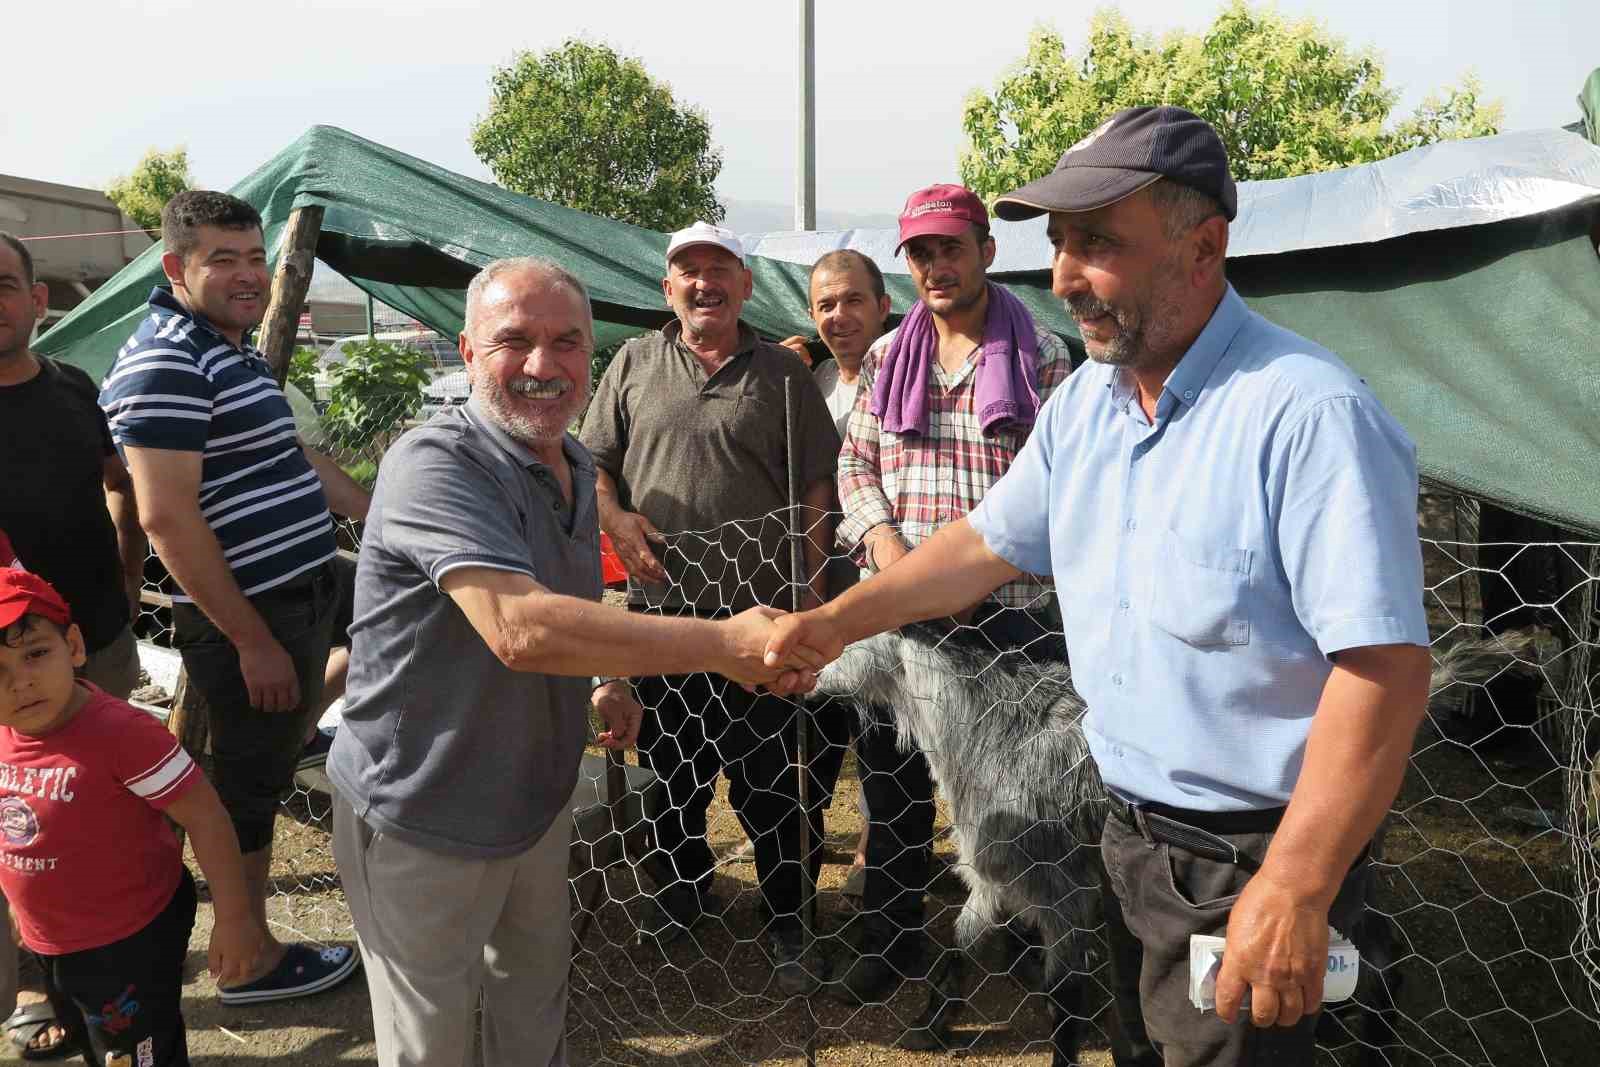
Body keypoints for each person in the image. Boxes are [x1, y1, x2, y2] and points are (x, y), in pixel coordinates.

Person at [766, 106, 1432, 1067]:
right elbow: (977, 548)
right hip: (1120, 833)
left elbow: (1384, 673)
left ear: (1205, 247)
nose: (1066, 275)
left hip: (1247, 856)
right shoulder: (1088, 405)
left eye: (1100, 244)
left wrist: (1294, 886)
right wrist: (832, 621)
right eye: (1060, 243)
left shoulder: (1306, 415)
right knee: (1140, 1048)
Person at [327, 257, 821, 1067]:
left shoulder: (575, 464)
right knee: (430, 1044)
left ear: (593, 353)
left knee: (533, 1005)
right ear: (464, 350)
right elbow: (518, 628)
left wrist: (607, 678)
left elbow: (572, 586)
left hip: (534, 797)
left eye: (565, 342)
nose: (542, 365)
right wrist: (725, 642)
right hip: (424, 809)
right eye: (512, 341)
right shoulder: (435, 463)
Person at [97, 191, 368, 1005]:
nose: (249, 275)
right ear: (177, 267)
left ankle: (295, 725)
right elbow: (166, 517)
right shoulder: (163, 360)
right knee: (248, 789)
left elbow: (296, 460)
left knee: (408, 622)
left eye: (256, 257)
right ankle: (248, 957)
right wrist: (250, 641)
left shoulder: (228, 347)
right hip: (255, 608)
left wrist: (382, 510)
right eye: (225, 259)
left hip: (307, 586)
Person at [828, 185, 1075, 1004]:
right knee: (893, 795)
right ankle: (891, 941)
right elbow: (854, 465)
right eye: (921, 253)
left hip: (1009, 624)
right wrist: (888, 551)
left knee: (1023, 798)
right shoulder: (887, 358)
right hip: (899, 626)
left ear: (986, 252)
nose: (936, 266)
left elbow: (1060, 487)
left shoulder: (1041, 355)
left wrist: (983, 568)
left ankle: (1034, 949)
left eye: (951, 249)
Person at [579, 222, 841, 992]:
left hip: (757, 625)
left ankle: (789, 919)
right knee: (673, 777)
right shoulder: (631, 363)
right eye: (688, 271)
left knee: (772, 785)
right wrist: (618, 520)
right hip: (660, 622)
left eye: (719, 268)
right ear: (667, 289)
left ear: (745, 285)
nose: (704, 283)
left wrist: (815, 599)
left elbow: (817, 490)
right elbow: (591, 466)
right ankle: (682, 894)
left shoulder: (784, 376)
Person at [0, 568, 262, 1067]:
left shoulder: (123, 736)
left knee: (138, 1051)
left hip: (127, 941)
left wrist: (233, 918)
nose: (22, 682)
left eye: (35, 653)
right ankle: (77, 1025)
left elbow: (206, 817)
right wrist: (18, 906)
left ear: (74, 647)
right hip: (48, 935)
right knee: (79, 1009)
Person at [1, 230, 148, 1058]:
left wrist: (129, 577)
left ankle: (112, 955)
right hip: (7, 660)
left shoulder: (72, 387)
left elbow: (119, 481)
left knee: (102, 802)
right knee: (18, 818)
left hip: (102, 637)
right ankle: (31, 977)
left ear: (37, 299)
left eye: (3, 284)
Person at [778, 249, 895, 903]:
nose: (839, 315)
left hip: (884, 586)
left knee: (880, 735)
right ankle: (803, 857)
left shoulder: (906, 379)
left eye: (853, 300)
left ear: (882, 305)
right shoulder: (813, 381)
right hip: (819, 585)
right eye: (826, 304)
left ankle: (872, 858)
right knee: (817, 733)